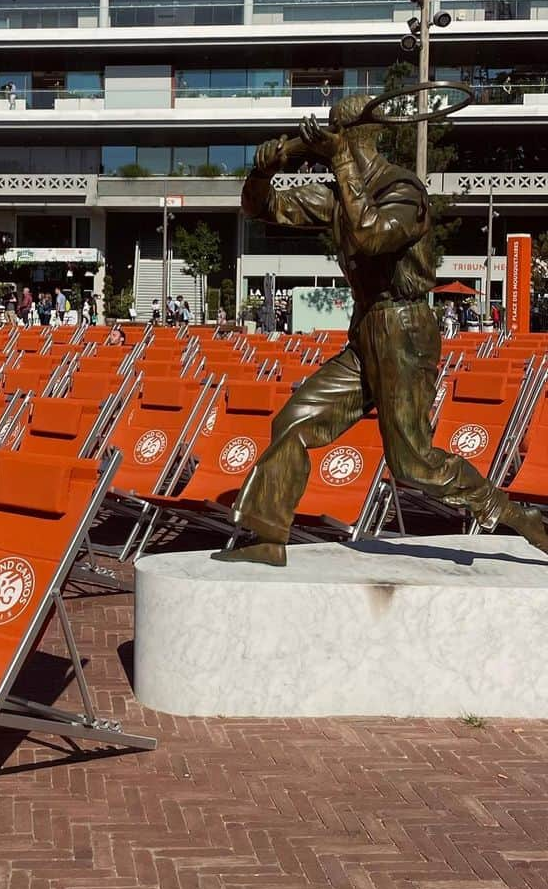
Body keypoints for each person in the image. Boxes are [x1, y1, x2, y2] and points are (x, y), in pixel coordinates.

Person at [214, 93, 548, 565]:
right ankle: (268, 538)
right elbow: (260, 207)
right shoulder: (337, 192)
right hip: (366, 328)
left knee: (412, 463)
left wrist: (338, 163)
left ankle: (518, 517)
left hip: (405, 328)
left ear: (356, 139)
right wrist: (262, 171)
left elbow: (371, 236)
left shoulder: (404, 190)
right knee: (294, 421)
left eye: (336, 136)